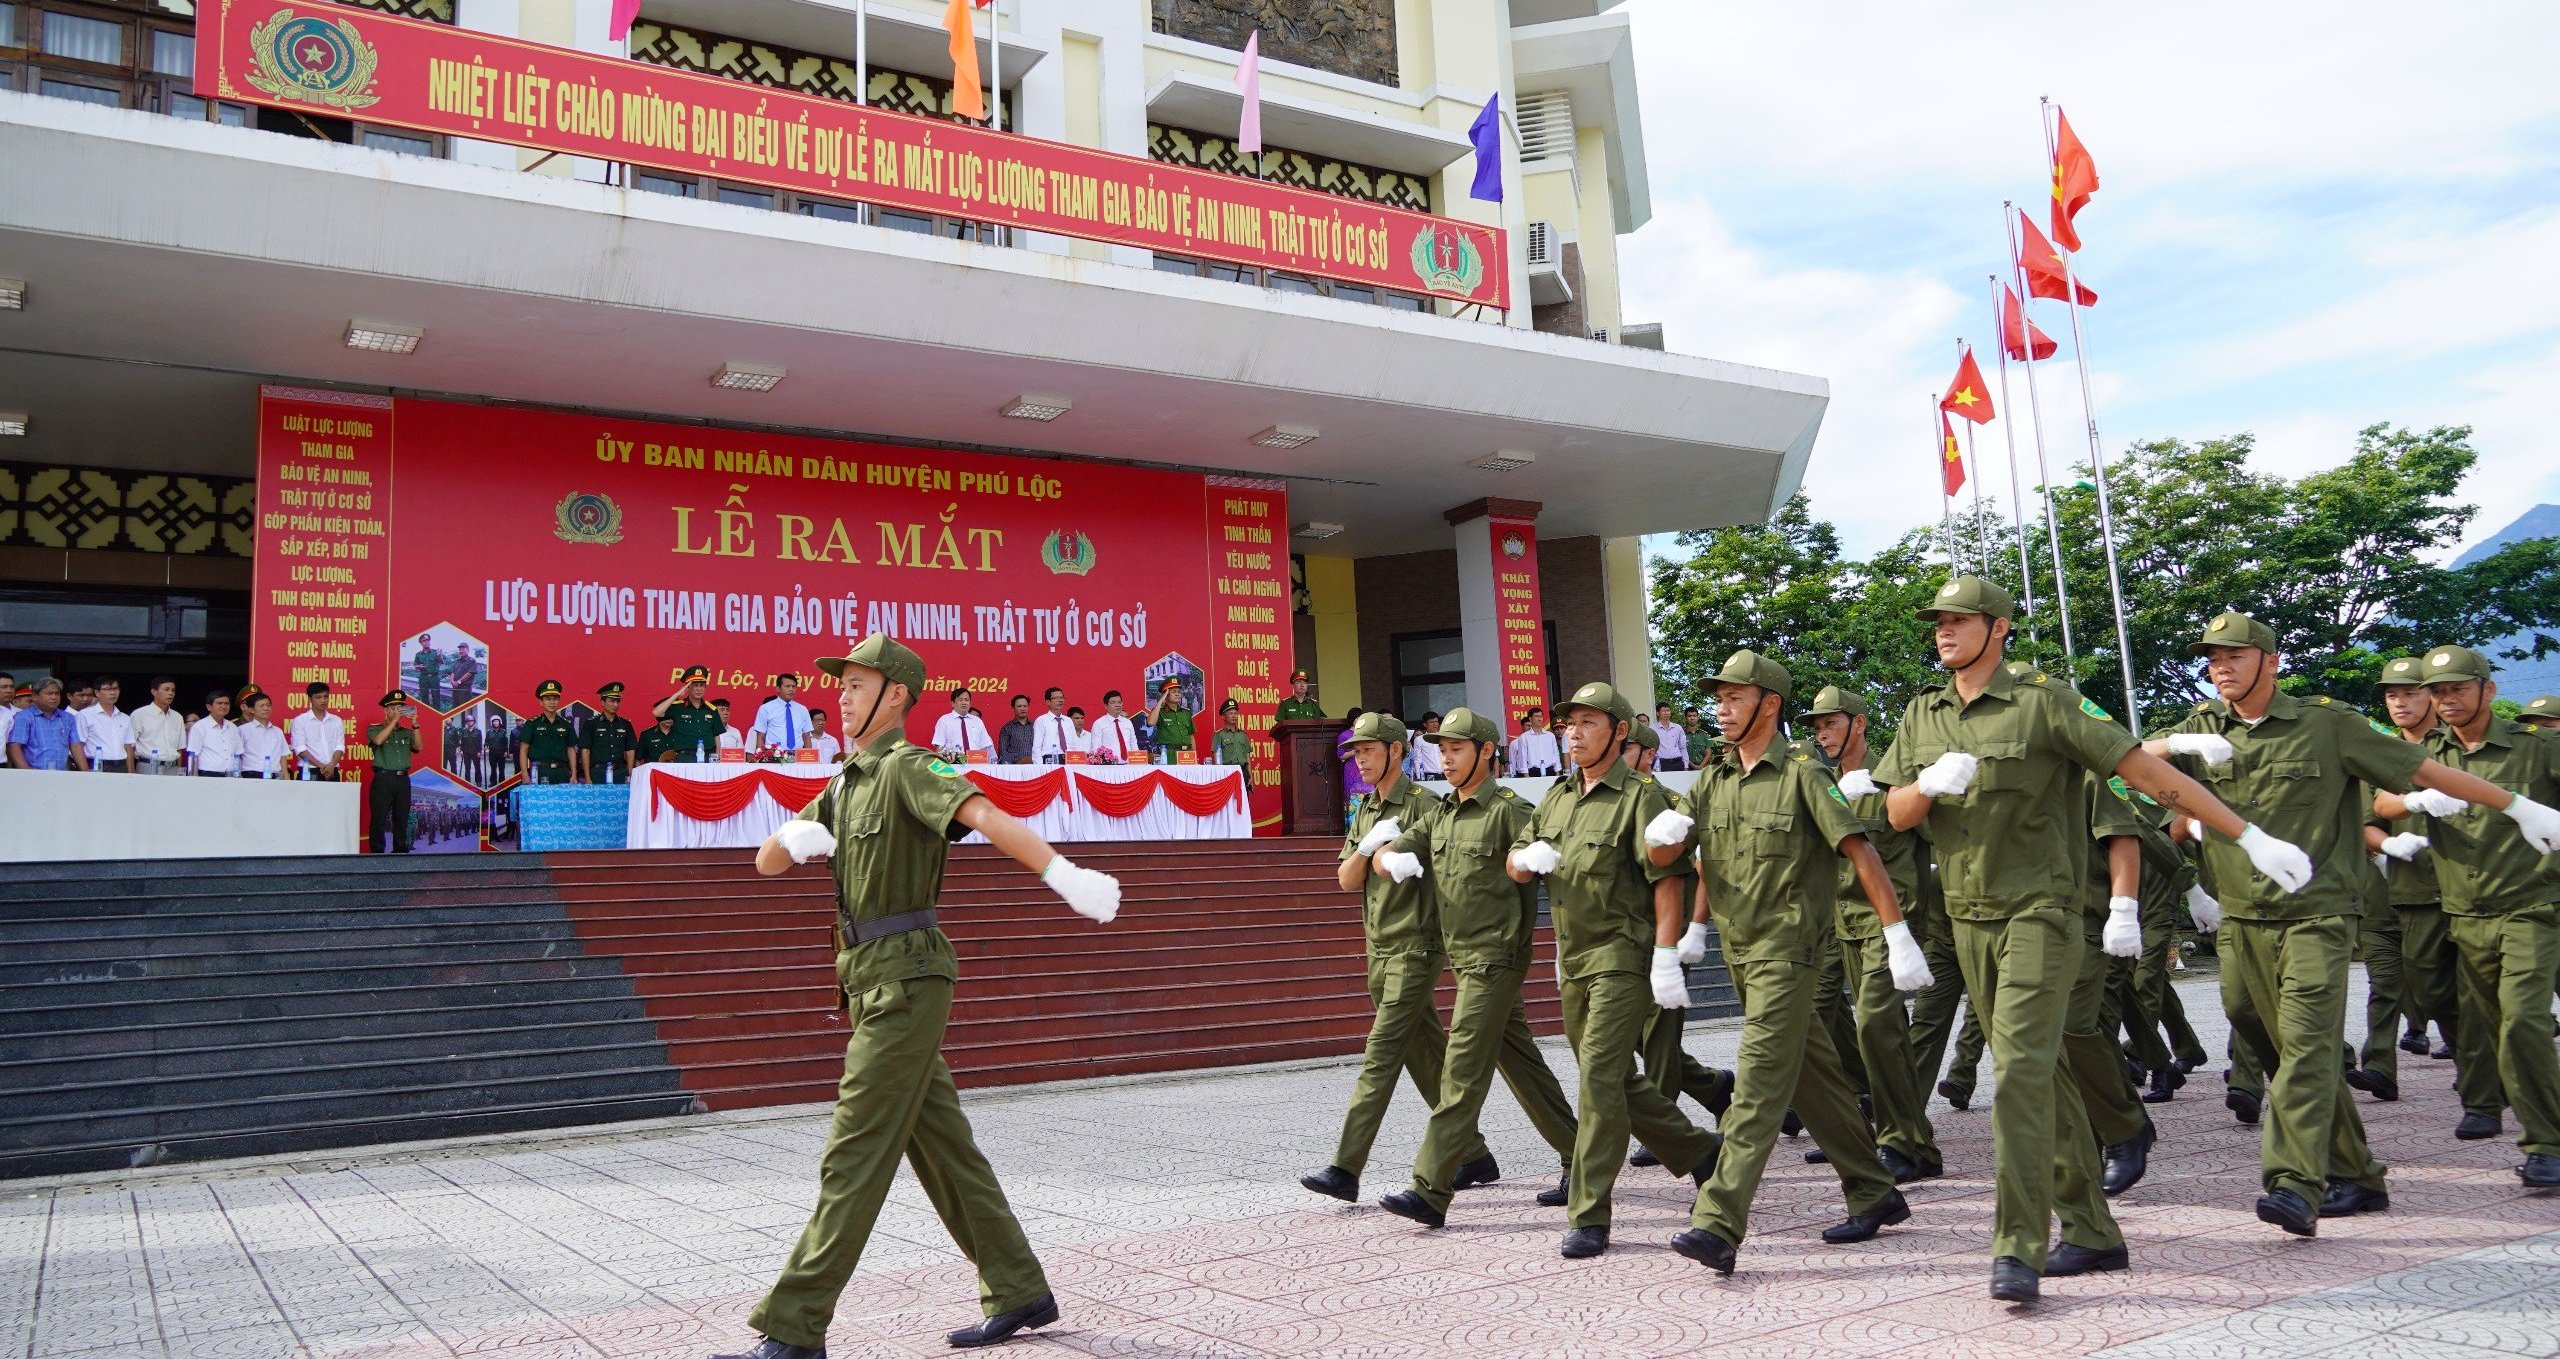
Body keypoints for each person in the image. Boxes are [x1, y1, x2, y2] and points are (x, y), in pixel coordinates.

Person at [1877, 580, 2307, 1301]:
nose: (1945, 631)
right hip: (1965, 917)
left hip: (2040, 913)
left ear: (2000, 627)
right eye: (1939, 621)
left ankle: (2017, 1243)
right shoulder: (1923, 712)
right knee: (2038, 1072)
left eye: (1961, 619)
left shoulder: (2045, 700)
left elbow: (2142, 769)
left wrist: (2246, 833)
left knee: (2014, 1072)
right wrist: (1926, 786)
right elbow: (1892, 812)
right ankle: (2092, 1229)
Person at [706, 635, 1123, 1359]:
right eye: (840, 686)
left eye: (857, 684)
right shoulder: (843, 782)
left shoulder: (909, 767)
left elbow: (985, 815)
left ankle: (795, 1326)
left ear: (895, 693)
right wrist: (795, 837)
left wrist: (1066, 876)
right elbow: (763, 862)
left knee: (855, 1148)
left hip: (907, 977)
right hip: (867, 981)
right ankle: (1017, 1283)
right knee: (943, 1147)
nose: (842, 695)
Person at [2146, 616, 2539, 1232]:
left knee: (2305, 1046)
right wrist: (2176, 749)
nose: (2220, 666)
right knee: (2268, 1036)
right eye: (2211, 657)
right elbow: (2128, 763)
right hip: (2242, 919)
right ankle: (2357, 1174)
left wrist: (2516, 803)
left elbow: (2422, 772)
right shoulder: (2200, 728)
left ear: (2269, 661)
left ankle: (2294, 1181)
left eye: (2234, 654)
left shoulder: (2326, 725)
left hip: (2316, 916)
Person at [1648, 654, 1925, 1276]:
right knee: (1813, 1075)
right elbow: (1679, 855)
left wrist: (1897, 932)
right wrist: (1666, 854)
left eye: (1734, 697)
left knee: (1759, 1084)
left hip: (1791, 952)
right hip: (1742, 953)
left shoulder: (1803, 772)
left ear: (1768, 704)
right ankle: (1873, 1190)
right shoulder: (1713, 779)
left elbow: (1859, 850)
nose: (1720, 708)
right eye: (1716, 697)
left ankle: (1719, 1219)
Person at [1505, 681, 1724, 1258]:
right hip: (1572, 957)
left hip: (1623, 957)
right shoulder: (1555, 798)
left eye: (1587, 723)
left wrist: (1666, 955)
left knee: (1599, 1077)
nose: (1573, 733)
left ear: (1619, 731)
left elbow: (1668, 879)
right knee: (1616, 1077)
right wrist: (1526, 860)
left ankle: (1590, 1211)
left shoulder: (1641, 798)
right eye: (1568, 724)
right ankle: (1701, 1151)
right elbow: (1516, 864)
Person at [1370, 706, 1582, 1229]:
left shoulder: (1510, 810)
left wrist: (1529, 859)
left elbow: (1528, 859)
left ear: (1486, 752)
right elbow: (1391, 849)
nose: (1445, 758)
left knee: (1462, 1070)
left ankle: (1431, 1187)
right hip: (1462, 958)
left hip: (1497, 957)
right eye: (1441, 749)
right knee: (1521, 1063)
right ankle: (1585, 1155)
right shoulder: (1440, 812)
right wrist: (1389, 860)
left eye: (1457, 749)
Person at [2373, 645, 2560, 1185]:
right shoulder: (2424, 755)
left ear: (2488, 689)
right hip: (2459, 910)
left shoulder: (2537, 748)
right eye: (2437, 691)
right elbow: (2378, 804)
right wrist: (2415, 803)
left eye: (2457, 688)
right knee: (2461, 1009)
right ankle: (2485, 1097)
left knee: (2523, 1018)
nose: (2446, 699)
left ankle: (2546, 1143)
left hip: (2531, 907)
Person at [1303, 713, 1496, 1206]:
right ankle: (1473, 1153)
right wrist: (1369, 848)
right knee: (1421, 1051)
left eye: (1368, 750)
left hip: (1416, 945)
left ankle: (1346, 1168)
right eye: (1356, 752)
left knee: (1381, 1054)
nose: (1360, 759)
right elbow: (1346, 879)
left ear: (1395, 750)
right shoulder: (1366, 808)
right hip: (1378, 947)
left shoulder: (1425, 805)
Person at [1805, 684, 1945, 1184]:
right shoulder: (1817, 781)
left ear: (1858, 723)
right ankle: (1903, 1134)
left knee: (1879, 1027)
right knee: (1845, 1029)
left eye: (1831, 723)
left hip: (1892, 924)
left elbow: (1938, 842)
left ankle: (1899, 1141)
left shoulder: (1895, 776)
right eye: (1817, 727)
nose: (1822, 734)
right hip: (1841, 925)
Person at [2367, 656, 2451, 1104]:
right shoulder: (2376, 752)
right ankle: (2380, 1065)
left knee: (2468, 983)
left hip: (2463, 885)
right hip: (2403, 886)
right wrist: (2385, 844)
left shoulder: (2458, 745)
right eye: (2392, 695)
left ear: (2433, 695)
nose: (2399, 702)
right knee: (2397, 981)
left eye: (2411, 692)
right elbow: (2366, 817)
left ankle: (2482, 1063)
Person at [370, 691, 418, 853]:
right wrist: (394, 721)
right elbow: (378, 740)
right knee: (379, 818)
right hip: (383, 779)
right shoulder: (375, 729)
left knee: (402, 818)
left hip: (403, 780)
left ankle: (400, 852)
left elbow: (418, 747)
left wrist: (415, 725)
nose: (398, 711)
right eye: (394, 708)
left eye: (400, 708)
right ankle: (376, 854)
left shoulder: (406, 732)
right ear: (386, 710)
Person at [8, 678, 86, 771]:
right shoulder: (24, 717)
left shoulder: (67, 717)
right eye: (49, 693)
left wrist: (85, 771)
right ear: (34, 696)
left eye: (57, 693)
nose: (54, 697)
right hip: (34, 775)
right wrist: (25, 769)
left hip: (62, 775)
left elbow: (75, 746)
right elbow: (14, 746)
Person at [654, 666, 725, 761]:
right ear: (687, 688)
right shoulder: (678, 706)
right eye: (695, 685)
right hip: (684, 757)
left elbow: (716, 736)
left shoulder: (711, 709)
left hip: (708, 757)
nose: (699, 689)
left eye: (702, 685)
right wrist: (677, 695)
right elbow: (657, 712)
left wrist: (718, 756)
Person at [520, 680, 579, 784]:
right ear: (541, 702)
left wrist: (574, 774)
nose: (552, 702)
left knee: (563, 800)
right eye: (548, 699)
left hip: (562, 772)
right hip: (539, 772)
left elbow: (571, 749)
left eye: (555, 699)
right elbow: (524, 749)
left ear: (558, 701)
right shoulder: (532, 723)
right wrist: (524, 773)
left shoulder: (566, 724)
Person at [76, 677, 136, 773]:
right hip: (95, 767)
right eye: (108, 689)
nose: (113, 693)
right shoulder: (85, 715)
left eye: (116, 689)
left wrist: (131, 773)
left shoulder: (125, 718)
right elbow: (78, 746)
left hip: (121, 767)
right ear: (97, 693)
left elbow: (128, 747)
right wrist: (85, 771)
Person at [583, 683, 640, 784]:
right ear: (602, 702)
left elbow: (630, 751)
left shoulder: (625, 724)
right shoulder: (591, 723)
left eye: (618, 701)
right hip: (598, 772)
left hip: (620, 772)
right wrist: (587, 776)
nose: (615, 704)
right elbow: (585, 751)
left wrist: (630, 774)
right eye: (612, 701)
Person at [291, 682, 345, 781]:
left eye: (325, 697)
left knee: (333, 797)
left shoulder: (336, 720)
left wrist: (331, 765)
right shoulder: (300, 721)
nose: (323, 700)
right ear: (310, 699)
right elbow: (301, 749)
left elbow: (340, 746)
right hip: (309, 771)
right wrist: (322, 767)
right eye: (318, 697)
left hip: (332, 770)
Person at [134, 676, 187, 775]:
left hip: (173, 767)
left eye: (173, 690)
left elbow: (180, 748)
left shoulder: (177, 716)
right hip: (147, 766)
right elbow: (129, 745)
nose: (171, 693)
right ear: (154, 692)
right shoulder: (139, 714)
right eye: (166, 689)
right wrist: (131, 772)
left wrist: (180, 772)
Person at [752, 674, 812, 758]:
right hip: (774, 757)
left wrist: (808, 759)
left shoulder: (802, 709)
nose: (791, 689)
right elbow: (761, 736)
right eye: (787, 686)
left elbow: (806, 736)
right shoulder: (766, 708)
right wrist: (760, 758)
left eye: (793, 686)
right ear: (778, 689)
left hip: (798, 758)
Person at [183, 690, 239, 777]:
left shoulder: (233, 727)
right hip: (207, 774)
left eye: (226, 703)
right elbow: (193, 755)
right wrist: (193, 778)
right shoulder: (199, 726)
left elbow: (237, 754)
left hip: (230, 775)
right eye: (219, 703)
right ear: (209, 707)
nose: (223, 706)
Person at [931, 689, 996, 763]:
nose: (964, 702)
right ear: (952, 703)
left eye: (966, 700)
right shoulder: (944, 720)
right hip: (953, 766)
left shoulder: (978, 721)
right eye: (960, 700)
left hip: (976, 765)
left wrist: (981, 763)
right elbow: (939, 748)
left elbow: (984, 746)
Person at [237, 690, 290, 778]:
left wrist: (285, 774)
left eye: (268, 705)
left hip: (274, 775)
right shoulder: (243, 730)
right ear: (251, 709)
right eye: (261, 706)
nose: (266, 708)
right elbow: (237, 755)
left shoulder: (277, 731)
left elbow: (283, 755)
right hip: (250, 775)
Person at [1088, 691, 1140, 765]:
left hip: (1129, 765)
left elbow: (1133, 743)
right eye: (1113, 703)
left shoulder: (1128, 722)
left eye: (1119, 702)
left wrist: (1137, 761)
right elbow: (1096, 748)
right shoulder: (1099, 723)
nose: (1117, 705)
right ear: (1105, 706)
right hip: (1109, 766)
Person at [1148, 679, 1194, 762]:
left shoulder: (1186, 712)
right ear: (1165, 695)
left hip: (1187, 755)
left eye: (1179, 692)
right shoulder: (1160, 712)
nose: (1177, 694)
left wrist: (1194, 755)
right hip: (1168, 755)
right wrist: (1161, 701)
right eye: (1173, 692)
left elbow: (1191, 736)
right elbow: (1151, 722)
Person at [1508, 708, 1560, 777]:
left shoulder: (1550, 735)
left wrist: (1557, 772)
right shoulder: (1524, 737)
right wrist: (1526, 775)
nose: (1539, 719)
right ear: (1530, 719)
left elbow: (1555, 754)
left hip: (1550, 770)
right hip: (1533, 772)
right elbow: (1523, 758)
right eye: (1536, 716)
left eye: (1541, 716)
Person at [1030, 688, 1077, 765]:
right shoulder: (1041, 720)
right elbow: (1037, 747)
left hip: (1070, 761)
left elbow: (1075, 745)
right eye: (1057, 698)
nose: (1060, 700)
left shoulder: (1068, 720)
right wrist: (1040, 767)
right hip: (1050, 761)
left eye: (1062, 698)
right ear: (1048, 702)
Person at [1209, 698, 1253, 768]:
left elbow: (1247, 757)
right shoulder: (1219, 735)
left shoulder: (1243, 735)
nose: (1234, 716)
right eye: (1231, 713)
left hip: (1243, 771)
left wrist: (1250, 776)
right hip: (1227, 771)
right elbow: (1216, 758)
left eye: (1235, 713)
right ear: (1223, 717)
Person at [997, 695, 1035, 765]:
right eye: (1019, 706)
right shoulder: (1007, 728)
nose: (1023, 709)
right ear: (1013, 707)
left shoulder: (1035, 726)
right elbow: (1003, 753)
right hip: (1014, 768)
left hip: (1035, 767)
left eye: (1025, 706)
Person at [1651, 703, 1689, 773]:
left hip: (1678, 763)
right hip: (1662, 764)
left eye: (1668, 710)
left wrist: (1686, 765)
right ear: (1657, 713)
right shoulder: (1652, 729)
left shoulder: (1678, 728)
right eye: (1663, 710)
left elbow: (1683, 747)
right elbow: (1650, 749)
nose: (1666, 712)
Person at [1407, 712, 1444, 780]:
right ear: (1425, 724)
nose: (1435, 724)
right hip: (1429, 775)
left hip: (1445, 774)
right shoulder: (1419, 740)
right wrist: (1418, 778)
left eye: (1436, 721)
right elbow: (1418, 760)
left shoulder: (1443, 738)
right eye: (1431, 722)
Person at [411, 635, 445, 709]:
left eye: (428, 640)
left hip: (434, 677)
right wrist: (418, 666)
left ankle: (436, 713)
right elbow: (414, 666)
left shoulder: (435, 652)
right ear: (421, 643)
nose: (427, 642)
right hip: (423, 678)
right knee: (424, 697)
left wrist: (439, 655)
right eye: (424, 640)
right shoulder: (418, 654)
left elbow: (441, 662)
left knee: (436, 697)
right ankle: (426, 713)